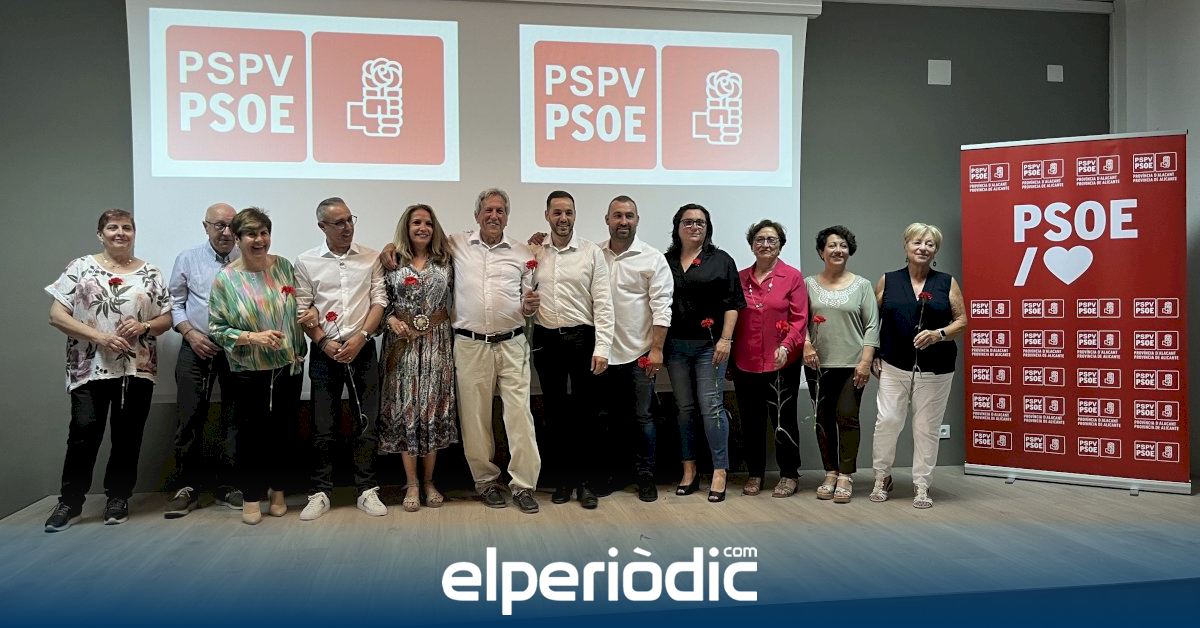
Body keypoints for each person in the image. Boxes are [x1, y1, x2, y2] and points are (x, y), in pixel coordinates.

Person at [44, 209, 172, 532]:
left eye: (126, 227)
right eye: (112, 227)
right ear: (100, 234)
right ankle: (70, 502)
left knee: (128, 436)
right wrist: (100, 337)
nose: (120, 232)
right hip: (90, 367)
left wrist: (144, 325)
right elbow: (57, 315)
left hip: (137, 368)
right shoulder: (81, 267)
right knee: (83, 434)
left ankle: (118, 497)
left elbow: (166, 318)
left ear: (134, 233)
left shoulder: (151, 273)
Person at [208, 207, 307, 525]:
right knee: (251, 436)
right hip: (247, 371)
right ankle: (251, 496)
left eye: (264, 233)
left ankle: (278, 492)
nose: (259, 239)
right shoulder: (226, 279)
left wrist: (312, 314)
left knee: (283, 432)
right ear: (237, 239)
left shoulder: (285, 267)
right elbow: (216, 329)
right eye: (251, 234)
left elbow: (302, 305)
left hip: (288, 367)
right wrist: (253, 337)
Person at [294, 197, 388, 520]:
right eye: (339, 223)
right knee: (323, 424)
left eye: (350, 220)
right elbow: (303, 309)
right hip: (326, 352)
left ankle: (367, 489)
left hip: (362, 349)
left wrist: (362, 337)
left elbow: (379, 301)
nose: (347, 227)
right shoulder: (306, 261)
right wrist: (323, 342)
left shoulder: (370, 257)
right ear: (322, 226)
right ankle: (321, 492)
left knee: (367, 422)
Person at [449, 188, 542, 513]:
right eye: (488, 210)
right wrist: (390, 248)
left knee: (520, 416)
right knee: (474, 418)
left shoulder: (522, 252)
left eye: (500, 211)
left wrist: (529, 307)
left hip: (513, 342)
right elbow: (418, 242)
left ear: (507, 216)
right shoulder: (456, 244)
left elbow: (528, 301)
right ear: (477, 215)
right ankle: (486, 482)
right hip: (470, 344)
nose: (494, 216)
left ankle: (523, 486)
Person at [870, 222, 967, 509]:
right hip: (893, 363)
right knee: (888, 421)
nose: (923, 248)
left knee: (926, 427)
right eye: (917, 242)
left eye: (930, 244)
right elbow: (872, 321)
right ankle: (882, 477)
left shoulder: (947, 282)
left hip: (936, 368)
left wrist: (939, 334)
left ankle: (922, 484)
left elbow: (962, 321)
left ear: (936, 251)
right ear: (906, 245)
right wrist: (873, 354)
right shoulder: (888, 280)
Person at [528, 191, 614, 509]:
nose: (563, 218)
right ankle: (563, 481)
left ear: (575, 215)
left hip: (582, 339)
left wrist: (602, 347)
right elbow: (523, 291)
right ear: (547, 215)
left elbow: (603, 302)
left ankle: (585, 483)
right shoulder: (535, 251)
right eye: (557, 213)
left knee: (585, 413)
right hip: (546, 340)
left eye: (568, 212)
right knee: (554, 413)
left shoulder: (591, 252)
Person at [163, 202, 242, 518]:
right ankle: (188, 486)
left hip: (237, 348)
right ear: (206, 226)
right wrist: (190, 334)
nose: (226, 232)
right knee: (190, 414)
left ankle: (229, 485)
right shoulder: (188, 258)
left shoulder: (247, 258)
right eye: (219, 225)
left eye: (231, 225)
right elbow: (175, 302)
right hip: (195, 345)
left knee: (235, 417)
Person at [379, 204, 458, 512]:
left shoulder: (447, 259)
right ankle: (411, 483)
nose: (423, 228)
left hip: (438, 344)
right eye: (416, 222)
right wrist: (390, 319)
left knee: (432, 409)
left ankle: (429, 482)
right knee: (407, 409)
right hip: (402, 345)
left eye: (428, 223)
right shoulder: (391, 260)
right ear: (406, 227)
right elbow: (379, 300)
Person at [664, 204, 746, 502]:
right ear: (677, 227)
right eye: (688, 222)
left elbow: (733, 303)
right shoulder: (665, 261)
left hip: (709, 347)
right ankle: (689, 470)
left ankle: (720, 471)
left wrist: (726, 339)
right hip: (675, 347)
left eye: (700, 222)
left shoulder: (721, 260)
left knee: (711, 407)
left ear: (708, 227)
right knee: (684, 408)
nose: (694, 226)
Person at [598, 195, 672, 502]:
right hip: (603, 353)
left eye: (629, 216)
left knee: (643, 417)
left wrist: (656, 350)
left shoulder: (652, 258)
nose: (623, 221)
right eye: (617, 215)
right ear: (607, 220)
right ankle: (614, 475)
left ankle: (645, 476)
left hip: (640, 353)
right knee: (608, 418)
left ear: (637, 220)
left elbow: (662, 306)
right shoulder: (595, 255)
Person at [802, 225, 879, 503]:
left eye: (843, 245)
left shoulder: (862, 285)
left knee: (847, 416)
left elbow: (872, 325)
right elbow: (799, 321)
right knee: (822, 419)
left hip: (852, 365)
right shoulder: (807, 284)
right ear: (821, 251)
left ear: (850, 251)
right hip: (817, 364)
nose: (838, 250)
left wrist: (866, 361)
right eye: (832, 245)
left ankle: (846, 475)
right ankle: (830, 472)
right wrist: (806, 345)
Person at [730, 220, 807, 498]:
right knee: (751, 421)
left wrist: (787, 346)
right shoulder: (739, 278)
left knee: (783, 419)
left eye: (771, 240)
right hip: (745, 361)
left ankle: (789, 473)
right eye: (759, 239)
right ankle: (755, 473)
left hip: (782, 362)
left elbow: (800, 319)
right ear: (752, 245)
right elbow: (731, 317)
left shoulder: (793, 277)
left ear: (780, 245)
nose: (765, 244)